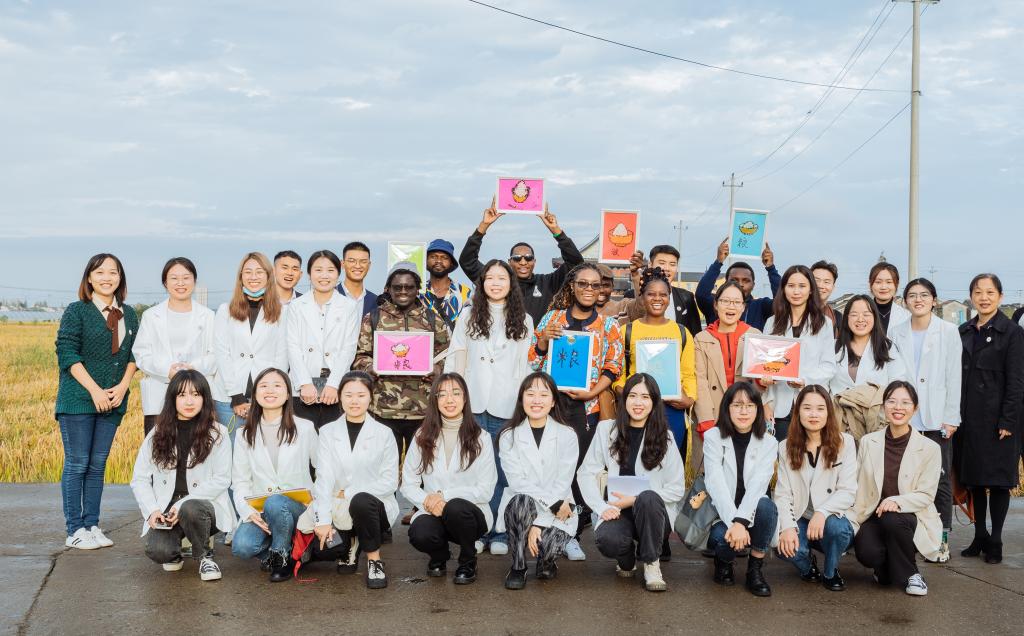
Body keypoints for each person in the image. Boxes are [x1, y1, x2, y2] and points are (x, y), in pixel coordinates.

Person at [528, 263, 624, 561]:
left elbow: (613, 366)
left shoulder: (608, 325)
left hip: (587, 408)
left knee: (580, 470)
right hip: (552, 406)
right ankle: (546, 525)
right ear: (572, 286)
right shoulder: (552, 318)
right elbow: (533, 361)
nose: (589, 290)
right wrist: (543, 340)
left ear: (601, 290)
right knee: (551, 468)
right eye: (583, 283)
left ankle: (572, 533)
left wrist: (593, 392)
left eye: (595, 285)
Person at [444, 259, 533, 555]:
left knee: (504, 469)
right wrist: (454, 394)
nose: (495, 283)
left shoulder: (524, 319)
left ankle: (501, 532)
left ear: (511, 283)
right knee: (474, 468)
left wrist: (524, 403)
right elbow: (456, 355)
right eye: (490, 278)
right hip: (474, 400)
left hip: (507, 403)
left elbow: (526, 364)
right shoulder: (468, 315)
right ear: (481, 284)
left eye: (501, 278)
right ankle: (479, 529)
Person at [57, 252, 140, 551]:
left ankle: (91, 525)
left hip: (113, 400)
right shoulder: (77, 311)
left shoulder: (129, 314)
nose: (107, 277)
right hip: (79, 399)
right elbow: (67, 353)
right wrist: (95, 390)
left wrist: (123, 386)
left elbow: (135, 354)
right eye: (100, 272)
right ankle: (74, 529)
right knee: (78, 462)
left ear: (120, 278)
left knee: (97, 465)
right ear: (89, 278)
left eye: (113, 272)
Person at [351, 261, 450, 511]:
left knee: (425, 465)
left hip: (422, 409)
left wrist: (438, 369)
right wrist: (371, 366)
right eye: (397, 287)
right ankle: (383, 515)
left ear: (418, 289)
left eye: (409, 287)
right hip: (383, 408)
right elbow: (360, 355)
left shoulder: (432, 318)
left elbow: (447, 354)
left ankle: (423, 512)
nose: (403, 291)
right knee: (383, 467)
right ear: (388, 288)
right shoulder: (374, 318)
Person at [578, 373, 686, 592]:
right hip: (617, 510)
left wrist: (634, 499)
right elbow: (586, 473)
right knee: (608, 540)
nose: (638, 403)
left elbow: (677, 488)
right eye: (633, 396)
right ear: (624, 398)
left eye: (645, 397)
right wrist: (601, 507)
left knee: (648, 498)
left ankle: (651, 563)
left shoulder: (665, 437)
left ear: (654, 402)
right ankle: (625, 556)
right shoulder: (606, 430)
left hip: (653, 514)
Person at [129, 370, 235, 581]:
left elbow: (222, 478)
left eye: (196, 394)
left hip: (205, 505)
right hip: (168, 507)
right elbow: (139, 479)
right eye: (182, 395)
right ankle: (175, 551)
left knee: (190, 508)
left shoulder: (218, 433)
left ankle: (205, 557)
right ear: (172, 399)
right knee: (158, 551)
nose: (189, 401)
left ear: (205, 398)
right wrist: (152, 510)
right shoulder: (157, 433)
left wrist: (182, 504)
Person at [402, 374, 497, 585]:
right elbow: (408, 484)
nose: (449, 400)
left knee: (455, 507)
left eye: (456, 393)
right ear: (435, 400)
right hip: (433, 510)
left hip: (471, 515)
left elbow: (486, 490)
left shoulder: (481, 438)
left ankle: (468, 560)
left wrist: (443, 496)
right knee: (420, 533)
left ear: (465, 398)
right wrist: (428, 501)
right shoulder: (422, 436)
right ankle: (439, 556)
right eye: (442, 394)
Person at [956, 273, 1024, 565]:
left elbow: (1017, 381)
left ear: (1000, 296)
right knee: (973, 480)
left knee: (998, 481)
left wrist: (1008, 420)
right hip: (968, 418)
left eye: (990, 292)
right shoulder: (963, 331)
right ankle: (979, 534)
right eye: (978, 292)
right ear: (971, 296)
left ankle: (995, 540)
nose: (983, 297)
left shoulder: (1012, 332)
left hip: (998, 420)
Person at [890, 278, 961, 561]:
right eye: (912, 295)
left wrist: (951, 417)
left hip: (936, 417)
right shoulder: (896, 331)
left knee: (940, 479)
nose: (918, 300)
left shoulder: (948, 331)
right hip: (905, 416)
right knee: (905, 479)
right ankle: (912, 537)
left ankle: (941, 538)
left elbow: (954, 375)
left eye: (924, 295)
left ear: (934, 300)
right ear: (905, 301)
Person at [851, 381, 942, 596]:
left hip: (909, 516)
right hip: (873, 514)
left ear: (915, 408)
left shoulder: (930, 448)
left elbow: (926, 494)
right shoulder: (868, 442)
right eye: (891, 401)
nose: (898, 407)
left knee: (893, 518)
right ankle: (885, 570)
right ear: (883, 406)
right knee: (868, 553)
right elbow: (857, 482)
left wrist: (896, 501)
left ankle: (912, 575)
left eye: (905, 403)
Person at [312, 371, 400, 589]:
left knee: (361, 500)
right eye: (349, 395)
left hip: (373, 507)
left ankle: (374, 560)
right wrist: (323, 520)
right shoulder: (327, 432)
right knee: (324, 551)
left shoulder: (384, 433)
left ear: (371, 397)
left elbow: (390, 481)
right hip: (337, 505)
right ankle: (351, 542)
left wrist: (351, 492)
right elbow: (323, 477)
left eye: (361, 395)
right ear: (340, 397)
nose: (354, 401)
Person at [231, 368, 319, 582]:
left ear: (288, 394)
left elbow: (323, 469)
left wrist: (317, 500)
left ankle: (281, 558)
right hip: (263, 509)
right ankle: (291, 552)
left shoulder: (305, 428)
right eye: (263, 386)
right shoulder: (244, 434)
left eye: (277, 385)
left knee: (277, 502)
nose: (270, 390)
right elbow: (240, 481)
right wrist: (247, 511)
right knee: (242, 546)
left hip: (299, 508)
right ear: (255, 394)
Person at [497, 372, 580, 590]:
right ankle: (518, 566)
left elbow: (563, 482)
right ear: (521, 398)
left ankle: (546, 562)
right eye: (530, 394)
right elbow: (517, 482)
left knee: (549, 550)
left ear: (553, 402)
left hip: (560, 509)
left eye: (544, 395)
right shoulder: (508, 436)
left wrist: (539, 523)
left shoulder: (567, 435)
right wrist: (546, 509)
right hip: (525, 506)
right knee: (521, 501)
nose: (536, 400)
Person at [774, 385, 857, 592]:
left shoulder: (845, 443)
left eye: (820, 408)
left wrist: (822, 512)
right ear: (798, 412)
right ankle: (807, 565)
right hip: (802, 515)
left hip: (832, 515)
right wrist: (787, 527)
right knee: (783, 545)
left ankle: (830, 571)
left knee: (837, 529)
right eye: (807, 408)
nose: (813, 414)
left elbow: (848, 491)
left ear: (829, 413)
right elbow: (783, 494)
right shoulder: (785, 446)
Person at [703, 382, 779, 597]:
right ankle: (723, 562)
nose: (744, 411)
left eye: (750, 406)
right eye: (737, 405)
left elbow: (758, 486)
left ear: (758, 409)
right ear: (727, 408)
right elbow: (715, 483)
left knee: (766, 507)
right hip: (722, 513)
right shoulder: (713, 437)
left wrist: (741, 522)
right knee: (721, 538)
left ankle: (754, 569)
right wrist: (734, 524)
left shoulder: (769, 442)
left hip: (752, 511)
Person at [614, 268, 696, 461]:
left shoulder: (682, 332)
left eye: (663, 294)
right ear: (642, 298)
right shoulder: (626, 331)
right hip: (635, 408)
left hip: (671, 410)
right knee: (634, 461)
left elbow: (688, 373)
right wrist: (628, 393)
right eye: (651, 294)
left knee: (668, 463)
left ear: (669, 297)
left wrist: (689, 399)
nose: (657, 299)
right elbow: (618, 374)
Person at [459, 197, 584, 324]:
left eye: (528, 258)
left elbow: (576, 264)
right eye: (517, 258)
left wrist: (556, 230)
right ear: (510, 262)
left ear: (534, 261)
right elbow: (467, 261)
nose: (523, 262)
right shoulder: (498, 283)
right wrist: (484, 225)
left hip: (539, 337)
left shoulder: (548, 283)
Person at [134, 257, 216, 435]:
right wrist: (168, 371)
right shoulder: (151, 316)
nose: (180, 283)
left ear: (194, 281)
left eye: (186, 278)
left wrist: (193, 369)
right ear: (165, 282)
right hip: (159, 396)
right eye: (174, 278)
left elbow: (216, 354)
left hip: (197, 398)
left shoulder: (208, 316)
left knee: (199, 447)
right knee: (159, 448)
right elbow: (141, 354)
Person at [212, 252, 287, 433]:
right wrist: (236, 396)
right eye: (248, 272)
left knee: (264, 448)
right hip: (229, 399)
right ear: (241, 277)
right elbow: (222, 354)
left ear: (268, 276)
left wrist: (272, 392)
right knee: (230, 448)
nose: (253, 277)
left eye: (259, 272)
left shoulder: (282, 311)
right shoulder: (225, 310)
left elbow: (281, 356)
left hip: (266, 398)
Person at [286, 250, 361, 430]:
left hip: (335, 388)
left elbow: (349, 349)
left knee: (334, 439)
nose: (324, 276)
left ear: (338, 274)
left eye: (330, 270)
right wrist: (304, 383)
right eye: (318, 270)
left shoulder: (349, 306)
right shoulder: (296, 306)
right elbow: (292, 346)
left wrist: (334, 384)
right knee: (302, 439)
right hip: (303, 390)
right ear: (309, 274)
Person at [762, 265, 837, 441]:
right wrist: (766, 403)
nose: (796, 291)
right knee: (780, 453)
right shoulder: (772, 322)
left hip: (811, 404)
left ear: (811, 290)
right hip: (779, 407)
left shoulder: (824, 323)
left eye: (802, 286)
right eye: (791, 286)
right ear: (783, 289)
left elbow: (829, 367)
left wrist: (804, 379)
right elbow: (765, 366)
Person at [693, 281, 761, 466]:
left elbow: (759, 379)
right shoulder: (701, 338)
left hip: (745, 413)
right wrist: (706, 420)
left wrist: (762, 382)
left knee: (743, 470)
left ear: (743, 307)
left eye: (737, 302)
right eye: (725, 301)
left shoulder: (754, 335)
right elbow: (700, 381)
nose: (731, 306)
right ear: (716, 304)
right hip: (713, 413)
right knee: (711, 471)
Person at [695, 238, 781, 331]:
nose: (740, 284)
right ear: (726, 283)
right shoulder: (716, 304)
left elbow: (781, 301)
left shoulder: (760, 306)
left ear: (753, 285)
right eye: (734, 280)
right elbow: (701, 294)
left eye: (746, 280)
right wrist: (718, 262)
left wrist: (771, 268)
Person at [829, 294, 906, 396]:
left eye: (866, 314)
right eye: (854, 314)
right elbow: (823, 382)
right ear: (847, 318)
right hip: (837, 405)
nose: (860, 319)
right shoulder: (833, 347)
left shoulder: (888, 348)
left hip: (876, 406)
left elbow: (897, 384)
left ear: (875, 317)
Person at [622, 246, 701, 337]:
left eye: (672, 264)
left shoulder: (686, 297)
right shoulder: (631, 295)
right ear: (650, 264)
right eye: (662, 263)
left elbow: (695, 333)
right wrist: (635, 274)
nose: (667, 268)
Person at [421, 238, 472, 330]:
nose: (439, 261)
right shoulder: (417, 292)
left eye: (444, 257)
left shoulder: (465, 293)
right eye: (433, 257)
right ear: (426, 262)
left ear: (451, 263)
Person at [337, 241, 378, 317]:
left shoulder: (376, 301)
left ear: (369, 265)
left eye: (363, 261)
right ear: (342, 264)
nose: (358, 266)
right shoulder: (331, 295)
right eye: (352, 261)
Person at [869, 262, 910, 334]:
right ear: (870, 284)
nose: (883, 287)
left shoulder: (907, 316)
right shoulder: (861, 313)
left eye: (889, 282)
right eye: (878, 282)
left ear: (896, 284)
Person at [811, 260, 841, 337]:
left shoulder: (837, 317)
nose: (820, 286)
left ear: (833, 287)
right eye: (816, 280)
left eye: (826, 282)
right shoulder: (794, 313)